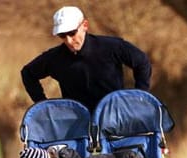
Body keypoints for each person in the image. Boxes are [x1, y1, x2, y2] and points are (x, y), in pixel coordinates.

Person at [21, 6, 152, 113]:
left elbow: (142, 62)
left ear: (84, 25)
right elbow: (28, 73)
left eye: (72, 33)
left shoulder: (112, 47)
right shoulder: (54, 58)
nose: (68, 40)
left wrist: (139, 98)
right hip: (77, 126)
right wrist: (43, 106)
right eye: (62, 35)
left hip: (115, 118)